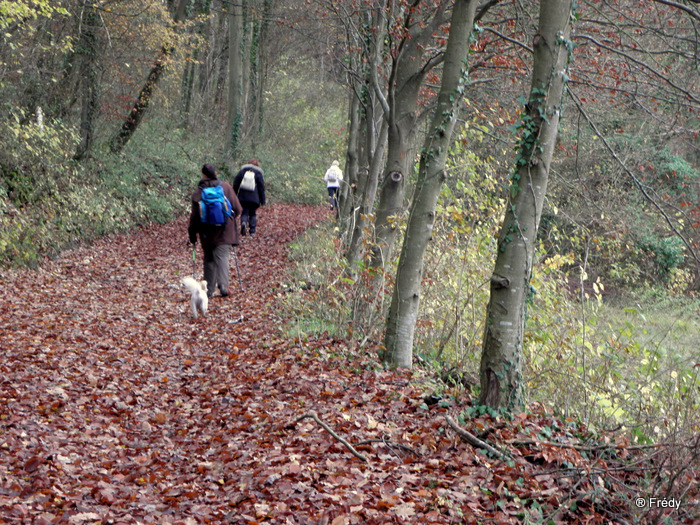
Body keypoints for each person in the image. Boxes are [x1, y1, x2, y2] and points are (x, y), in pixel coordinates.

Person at [188, 164, 242, 298]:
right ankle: (223, 285)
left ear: (203, 175)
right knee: (222, 257)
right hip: (225, 231)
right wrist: (228, 220)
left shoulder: (198, 192)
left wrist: (192, 233)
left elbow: (194, 217)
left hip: (207, 232)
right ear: (215, 173)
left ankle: (208, 290)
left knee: (209, 259)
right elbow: (238, 209)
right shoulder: (226, 188)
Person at [233, 159, 266, 236]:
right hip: (254, 198)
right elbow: (261, 188)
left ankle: (244, 222)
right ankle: (252, 231)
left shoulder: (242, 171)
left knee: (244, 212)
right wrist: (263, 201)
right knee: (253, 213)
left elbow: (236, 183)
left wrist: (234, 194)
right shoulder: (258, 173)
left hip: (243, 196)